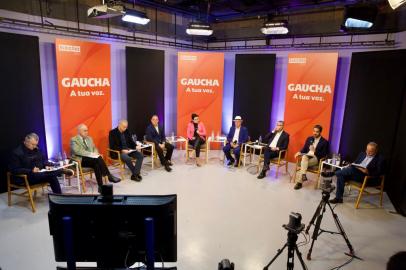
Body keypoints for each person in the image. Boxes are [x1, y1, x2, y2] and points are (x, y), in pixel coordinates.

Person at [71, 124, 120, 190]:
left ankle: (101, 187)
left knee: (96, 164)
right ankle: (109, 175)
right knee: (98, 159)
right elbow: (77, 151)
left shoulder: (89, 138)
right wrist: (91, 154)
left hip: (92, 159)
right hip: (81, 160)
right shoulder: (74, 140)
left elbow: (94, 148)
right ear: (79, 131)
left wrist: (96, 153)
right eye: (84, 131)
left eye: (87, 130)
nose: (86, 132)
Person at [294, 124, 329, 190]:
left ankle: (299, 182)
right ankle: (303, 175)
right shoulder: (309, 138)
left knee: (302, 163)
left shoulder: (325, 142)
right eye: (314, 131)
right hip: (307, 156)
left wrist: (314, 151)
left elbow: (324, 155)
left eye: (317, 132)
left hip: (316, 158)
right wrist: (299, 152)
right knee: (304, 156)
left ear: (320, 132)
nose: (315, 133)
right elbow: (304, 148)